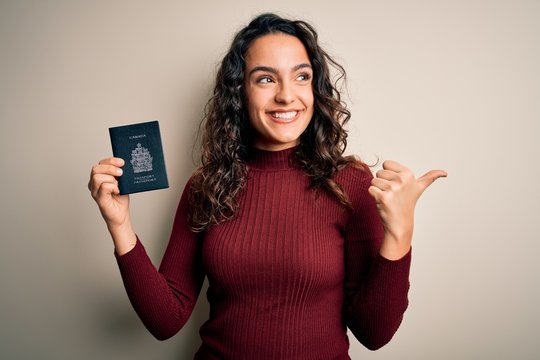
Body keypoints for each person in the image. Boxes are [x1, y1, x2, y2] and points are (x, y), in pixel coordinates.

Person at [88, 13, 447, 360]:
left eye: (301, 76)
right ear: (240, 91)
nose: (287, 96)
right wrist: (120, 226)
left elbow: (374, 334)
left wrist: (400, 233)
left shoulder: (351, 183)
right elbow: (165, 320)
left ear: (315, 87)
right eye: (265, 79)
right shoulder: (206, 186)